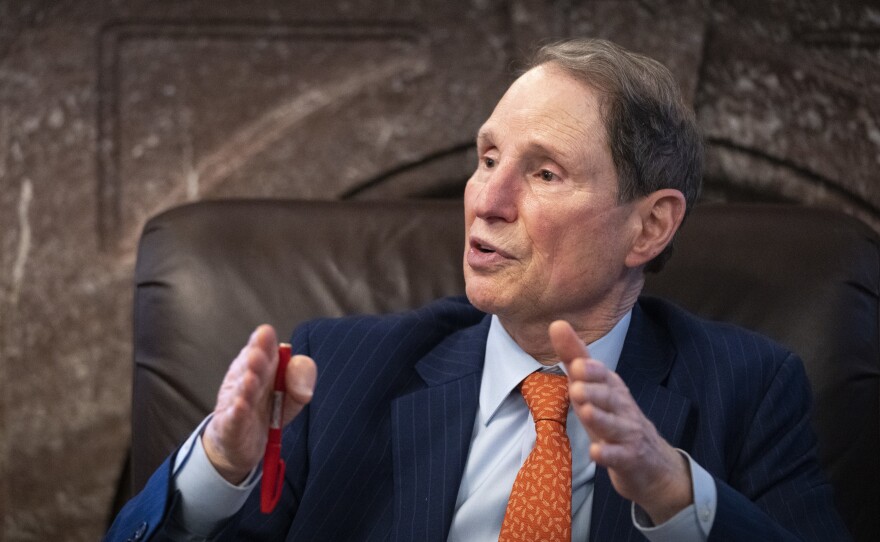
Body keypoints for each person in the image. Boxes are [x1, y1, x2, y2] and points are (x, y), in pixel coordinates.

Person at [106, 38, 850, 541]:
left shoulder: (751, 389)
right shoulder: (342, 372)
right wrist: (218, 469)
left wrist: (673, 494)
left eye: (543, 172)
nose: (486, 200)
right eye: (486, 157)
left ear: (648, 228)